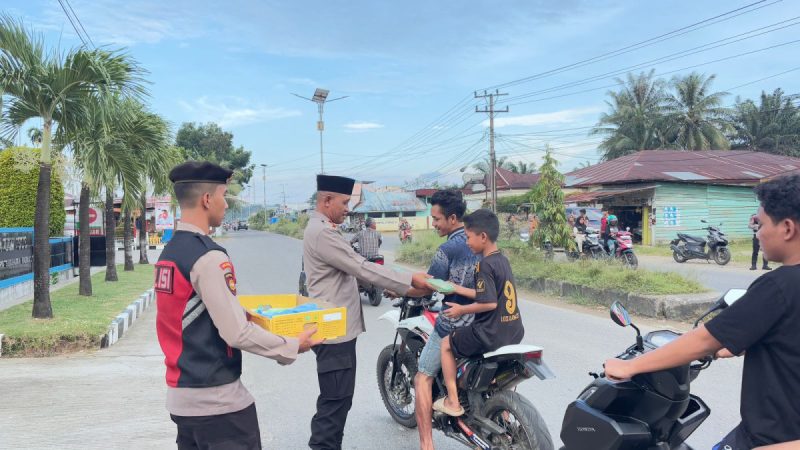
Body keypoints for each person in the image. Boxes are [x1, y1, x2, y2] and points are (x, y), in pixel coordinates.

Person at [604, 174, 800, 449]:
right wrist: (741, 344)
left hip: (771, 439)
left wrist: (630, 366)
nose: (757, 233)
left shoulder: (779, 285)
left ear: (788, 228)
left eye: (761, 224)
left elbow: (705, 339)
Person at [155, 161, 321, 450]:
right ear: (207, 199)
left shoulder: (170, 252)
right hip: (218, 405)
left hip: (182, 402)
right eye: (224, 196)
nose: (226, 205)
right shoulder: (207, 257)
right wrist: (292, 345)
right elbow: (236, 333)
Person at [303, 174, 430, 450]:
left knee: (339, 399)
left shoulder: (322, 228)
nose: (348, 209)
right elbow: (361, 266)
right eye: (344, 202)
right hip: (334, 334)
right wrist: (409, 283)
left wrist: (390, 287)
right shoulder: (323, 232)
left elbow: (349, 273)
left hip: (336, 330)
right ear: (326, 201)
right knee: (335, 402)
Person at [402, 190, 480, 450]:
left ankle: (426, 445)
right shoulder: (482, 239)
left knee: (422, 376)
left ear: (453, 218)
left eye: (436, 219)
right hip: (486, 322)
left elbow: (427, 287)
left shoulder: (447, 248)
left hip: (456, 323)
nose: (433, 223)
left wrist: (399, 288)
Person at [433, 209, 525, 417]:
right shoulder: (501, 260)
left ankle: (453, 401)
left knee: (446, 343)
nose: (466, 242)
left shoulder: (483, 265)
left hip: (489, 333)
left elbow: (489, 303)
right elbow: (488, 293)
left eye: (468, 237)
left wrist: (460, 309)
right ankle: (504, 415)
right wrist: (456, 288)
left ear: (483, 237)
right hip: (513, 331)